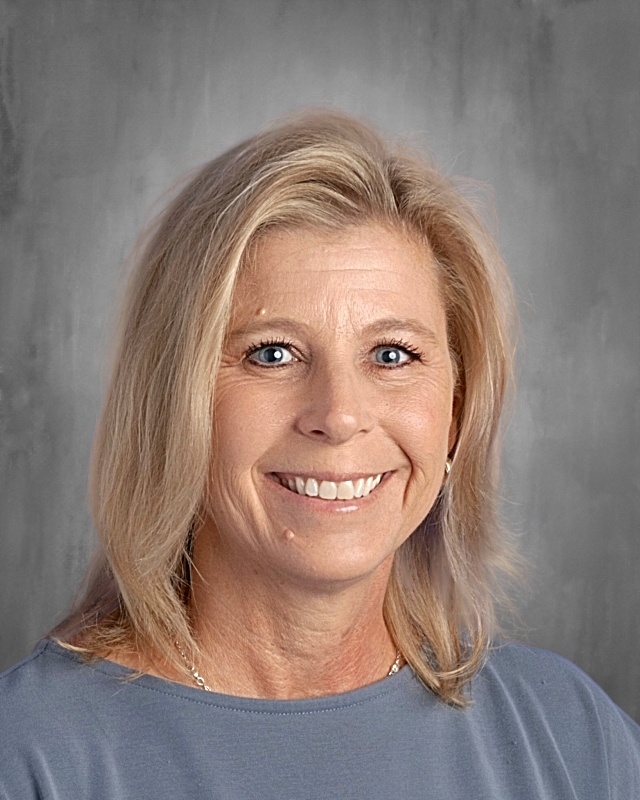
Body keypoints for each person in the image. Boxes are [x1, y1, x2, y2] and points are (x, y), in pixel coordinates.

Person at [1, 110, 639, 799]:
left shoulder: (571, 738)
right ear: (172, 405)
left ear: (455, 415)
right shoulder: (34, 752)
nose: (338, 416)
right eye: (273, 353)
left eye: (392, 354)